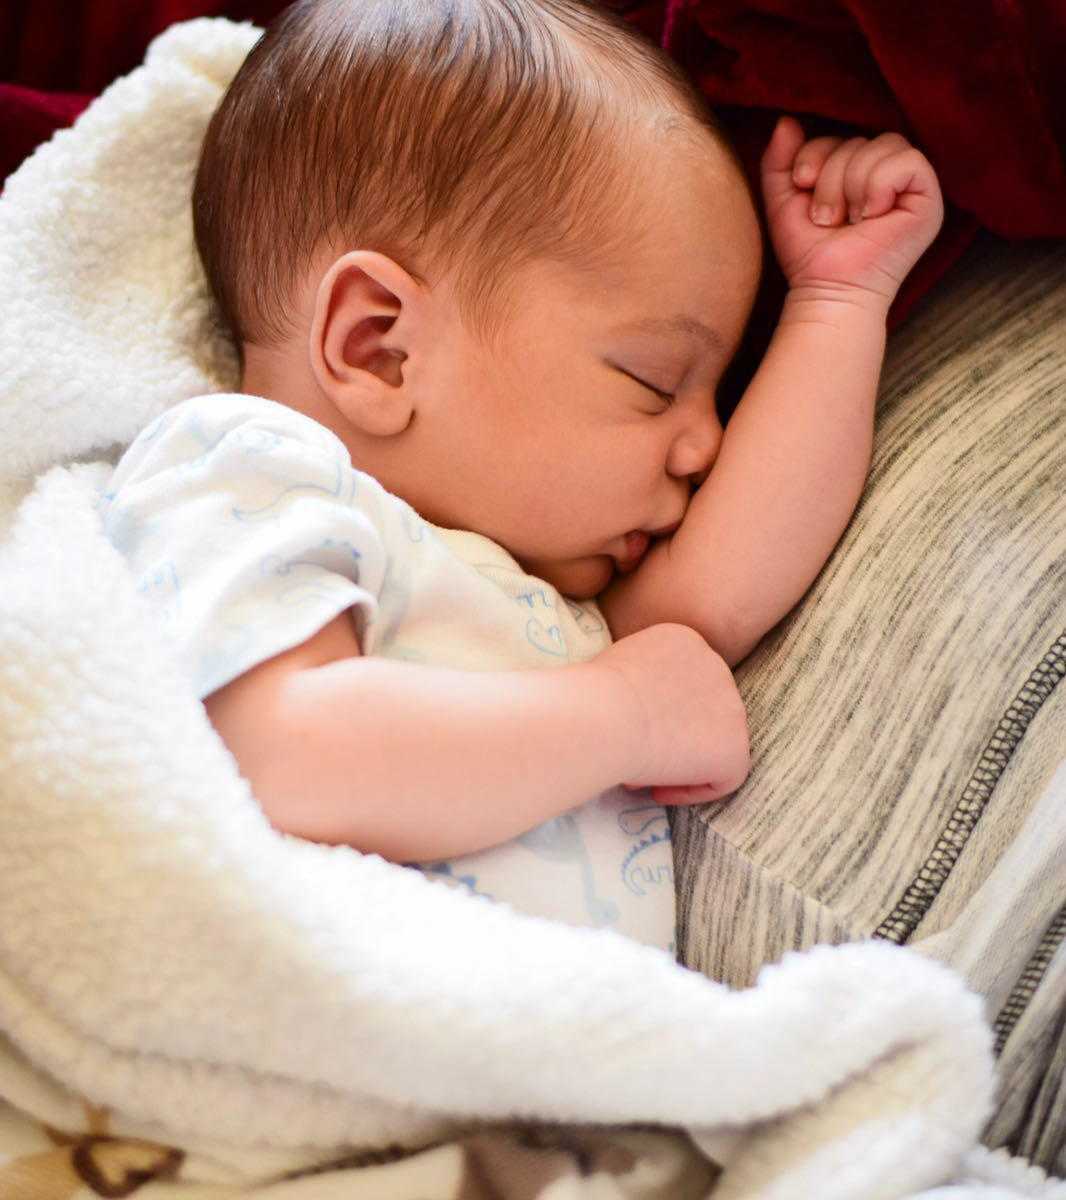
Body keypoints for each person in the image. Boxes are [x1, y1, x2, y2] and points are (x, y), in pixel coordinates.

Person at [98, 0, 943, 949]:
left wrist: (840, 300)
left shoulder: (521, 588)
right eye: (654, 379)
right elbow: (286, 755)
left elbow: (729, 586)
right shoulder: (245, 470)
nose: (706, 447)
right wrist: (619, 714)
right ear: (380, 348)